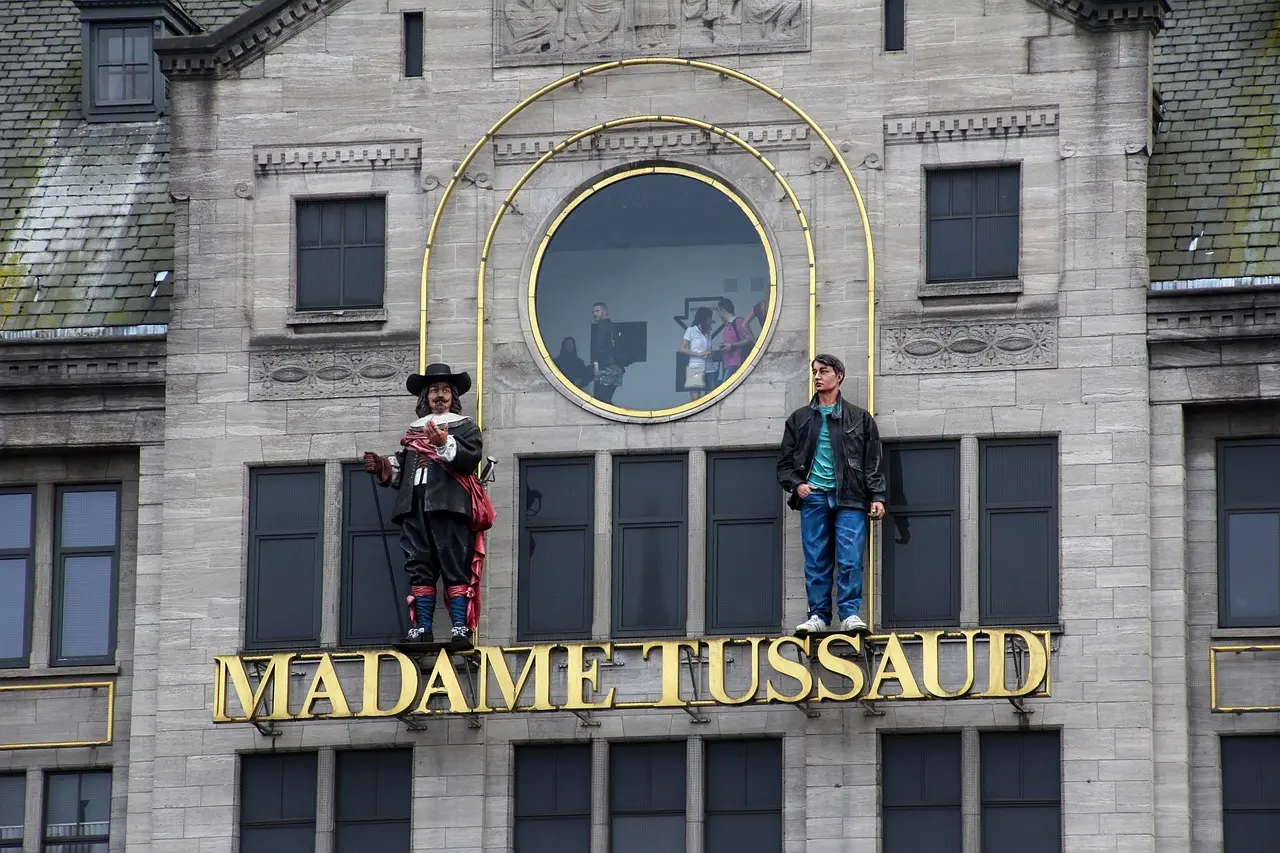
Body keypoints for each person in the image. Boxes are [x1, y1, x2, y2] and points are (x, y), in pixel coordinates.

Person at [361, 363, 493, 646]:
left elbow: (470, 459)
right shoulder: (414, 433)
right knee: (419, 565)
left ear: (453, 396)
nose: (440, 396)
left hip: (447, 506)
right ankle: (422, 627)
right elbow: (402, 470)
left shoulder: (465, 426)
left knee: (454, 562)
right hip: (414, 507)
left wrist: (446, 443)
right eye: (434, 391)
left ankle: (459, 626)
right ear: (425, 398)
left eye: (445, 390)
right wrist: (382, 466)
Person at [776, 354, 886, 634]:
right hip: (813, 498)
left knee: (850, 558)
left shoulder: (859, 418)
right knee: (816, 559)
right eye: (814, 372)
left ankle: (849, 614)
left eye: (823, 371)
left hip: (850, 496)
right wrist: (797, 485)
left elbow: (872, 460)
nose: (817, 376)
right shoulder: (799, 419)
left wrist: (877, 496)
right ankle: (819, 616)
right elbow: (784, 464)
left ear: (839, 376)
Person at [589, 302, 624, 403]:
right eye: (593, 312)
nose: (594, 314)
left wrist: (595, 364)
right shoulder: (614, 327)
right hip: (617, 369)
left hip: (606, 368)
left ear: (605, 312)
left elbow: (599, 346)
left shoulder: (602, 326)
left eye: (597, 311)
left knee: (599, 401)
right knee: (607, 399)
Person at [680, 306, 714, 400]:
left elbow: (709, 349)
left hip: (709, 368)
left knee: (711, 395)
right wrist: (699, 354)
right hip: (695, 367)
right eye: (710, 317)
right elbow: (682, 349)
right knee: (695, 397)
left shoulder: (708, 332)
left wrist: (710, 353)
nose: (711, 320)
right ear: (704, 318)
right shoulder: (691, 330)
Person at [715, 297, 754, 378]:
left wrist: (732, 346)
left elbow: (750, 339)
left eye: (718, 311)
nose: (718, 314)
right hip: (727, 364)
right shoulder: (727, 325)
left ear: (723, 310)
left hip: (736, 363)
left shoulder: (739, 322)